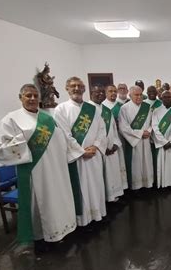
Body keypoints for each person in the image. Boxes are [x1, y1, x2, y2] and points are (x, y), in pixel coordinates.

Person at [0, 84, 82, 247]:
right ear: (21, 98)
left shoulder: (47, 118)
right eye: (28, 95)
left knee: (56, 198)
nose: (32, 98)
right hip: (34, 169)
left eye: (35, 95)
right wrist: (23, 144)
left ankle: (61, 228)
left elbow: (61, 139)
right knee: (42, 200)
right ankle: (43, 235)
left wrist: (76, 151)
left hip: (55, 167)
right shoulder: (11, 119)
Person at [54, 77, 107, 227]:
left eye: (79, 86)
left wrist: (95, 146)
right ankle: (84, 221)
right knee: (82, 188)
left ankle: (98, 215)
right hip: (77, 158)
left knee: (96, 185)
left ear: (84, 89)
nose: (76, 88)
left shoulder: (93, 109)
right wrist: (81, 151)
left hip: (93, 155)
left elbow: (102, 130)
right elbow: (64, 134)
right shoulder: (61, 109)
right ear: (67, 88)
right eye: (73, 86)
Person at [90, 85, 125, 202]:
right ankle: (103, 200)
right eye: (97, 92)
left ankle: (113, 196)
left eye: (101, 92)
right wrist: (102, 147)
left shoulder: (107, 110)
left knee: (112, 174)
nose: (100, 94)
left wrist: (115, 143)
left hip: (111, 148)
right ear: (91, 93)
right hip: (98, 150)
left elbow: (114, 129)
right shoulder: (88, 109)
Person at [118, 86, 154, 190]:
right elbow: (123, 127)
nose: (139, 97)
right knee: (135, 164)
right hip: (134, 142)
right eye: (136, 95)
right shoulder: (124, 108)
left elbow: (153, 122)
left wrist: (149, 131)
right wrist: (140, 133)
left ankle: (148, 184)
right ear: (130, 95)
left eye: (140, 95)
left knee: (147, 162)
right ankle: (136, 187)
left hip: (146, 140)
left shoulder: (147, 107)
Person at [152, 90, 171, 188]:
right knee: (162, 164)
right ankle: (162, 184)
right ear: (161, 98)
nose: (167, 99)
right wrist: (164, 142)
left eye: (169, 97)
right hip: (162, 144)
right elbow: (155, 128)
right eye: (165, 97)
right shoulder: (156, 111)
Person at [102, 85, 128, 191]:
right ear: (106, 93)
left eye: (114, 91)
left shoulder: (120, 105)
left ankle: (121, 189)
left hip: (120, 138)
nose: (113, 93)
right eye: (110, 91)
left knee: (121, 164)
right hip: (107, 141)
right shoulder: (102, 106)